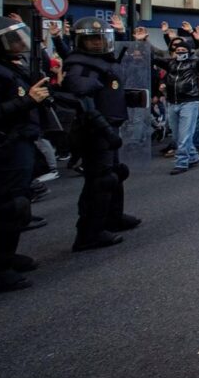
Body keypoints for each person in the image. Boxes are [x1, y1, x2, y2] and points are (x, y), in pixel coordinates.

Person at [61, 17, 142, 252]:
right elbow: (83, 104)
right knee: (100, 180)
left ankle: (112, 218)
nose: (97, 43)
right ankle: (89, 233)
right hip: (96, 131)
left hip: (109, 127)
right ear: (80, 41)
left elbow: (105, 93)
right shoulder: (81, 66)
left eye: (100, 38)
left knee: (115, 174)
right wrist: (105, 131)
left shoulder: (103, 62)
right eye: (91, 39)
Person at [0, 17, 48, 293]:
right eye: (11, 40)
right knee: (7, 208)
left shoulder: (11, 68)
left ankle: (7, 257)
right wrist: (27, 101)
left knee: (18, 204)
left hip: (20, 144)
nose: (18, 44)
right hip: (3, 149)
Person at [152, 28, 199, 175]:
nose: (179, 52)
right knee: (177, 135)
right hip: (172, 102)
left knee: (185, 134)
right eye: (177, 49)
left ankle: (181, 162)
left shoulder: (195, 64)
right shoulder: (170, 64)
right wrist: (141, 42)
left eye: (182, 49)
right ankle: (192, 156)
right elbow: (153, 58)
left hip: (190, 102)